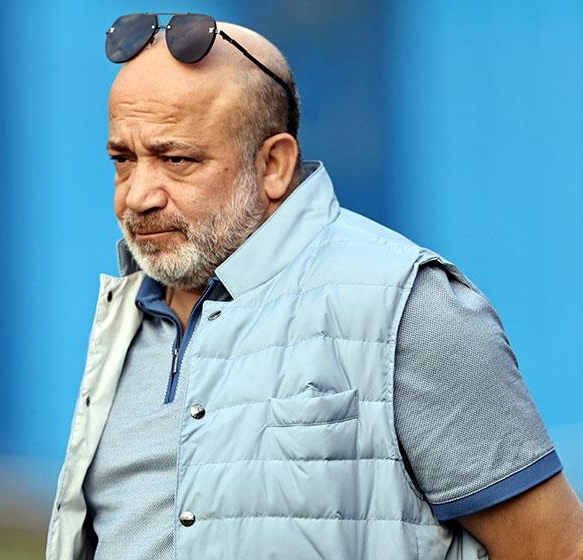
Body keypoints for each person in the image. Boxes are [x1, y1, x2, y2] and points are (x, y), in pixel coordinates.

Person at [46, 13, 583, 559]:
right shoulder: (125, 319)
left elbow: (558, 549)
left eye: (176, 159)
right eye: (123, 160)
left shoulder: (406, 306)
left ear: (274, 165)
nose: (137, 196)